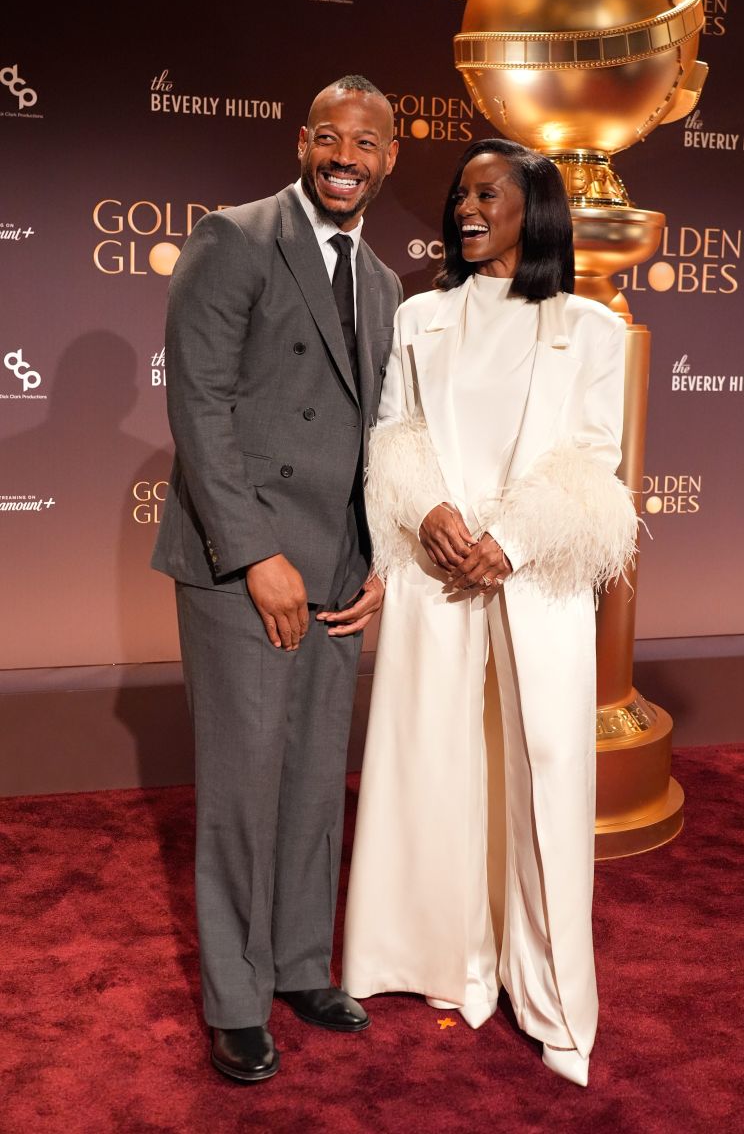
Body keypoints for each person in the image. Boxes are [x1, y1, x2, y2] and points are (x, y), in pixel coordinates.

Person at [341, 138, 637, 1087]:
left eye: (488, 194)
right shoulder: (420, 315)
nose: (466, 208)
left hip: (533, 573)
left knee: (543, 773)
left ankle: (551, 997)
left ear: (535, 208)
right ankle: (438, 961)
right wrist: (431, 515)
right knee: (430, 755)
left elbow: (592, 458)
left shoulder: (590, 328)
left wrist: (505, 541)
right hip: (435, 571)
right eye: (461, 194)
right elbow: (394, 431)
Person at [152, 75, 401, 1083]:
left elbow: (386, 436)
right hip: (242, 564)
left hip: (338, 567)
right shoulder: (235, 237)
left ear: (389, 158)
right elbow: (200, 406)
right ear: (303, 141)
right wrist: (256, 555)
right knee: (244, 784)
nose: (347, 155)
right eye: (330, 137)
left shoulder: (383, 282)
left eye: (367, 142)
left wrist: (381, 558)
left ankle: (300, 963)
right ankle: (236, 996)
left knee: (310, 780)